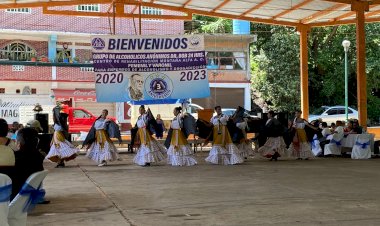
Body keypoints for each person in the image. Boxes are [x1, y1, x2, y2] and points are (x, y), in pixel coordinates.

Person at [11, 128, 45, 200]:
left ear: (19, 142)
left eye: (16, 140)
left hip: (15, 195)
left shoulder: (16, 157)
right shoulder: (38, 156)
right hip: (30, 192)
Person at [45, 103, 79, 168]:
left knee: (61, 149)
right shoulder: (56, 123)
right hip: (55, 138)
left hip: (59, 137)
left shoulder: (61, 123)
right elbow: (55, 132)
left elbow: (63, 128)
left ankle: (61, 162)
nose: (53, 117)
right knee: (57, 150)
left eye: (54, 116)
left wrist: (57, 112)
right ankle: (59, 162)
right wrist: (52, 141)